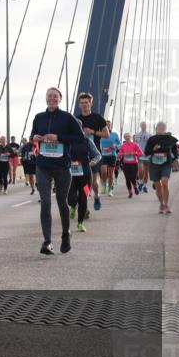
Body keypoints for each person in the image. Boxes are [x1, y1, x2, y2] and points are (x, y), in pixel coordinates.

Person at [30, 87, 85, 254]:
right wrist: (35, 138)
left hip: (62, 167)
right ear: (46, 99)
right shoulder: (39, 117)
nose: (52, 99)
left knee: (62, 201)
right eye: (49, 96)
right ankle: (47, 242)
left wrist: (59, 137)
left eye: (55, 96)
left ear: (60, 99)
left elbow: (80, 138)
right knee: (45, 202)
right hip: (43, 166)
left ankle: (65, 234)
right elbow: (32, 134)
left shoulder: (67, 118)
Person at [76, 93, 109, 210]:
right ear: (79, 105)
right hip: (80, 154)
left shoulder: (98, 118)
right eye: (82, 103)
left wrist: (92, 131)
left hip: (95, 155)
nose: (84, 105)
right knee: (84, 183)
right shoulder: (76, 119)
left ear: (91, 104)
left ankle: (96, 196)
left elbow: (106, 134)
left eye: (86, 102)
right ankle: (83, 206)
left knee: (94, 182)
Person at [68, 135, 101, 232]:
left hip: (86, 175)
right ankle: (73, 206)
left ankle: (80, 223)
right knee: (71, 198)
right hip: (70, 176)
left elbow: (97, 154)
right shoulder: (66, 139)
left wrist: (94, 161)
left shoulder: (87, 141)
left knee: (84, 199)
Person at [144, 122, 179, 214]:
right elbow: (147, 152)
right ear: (156, 128)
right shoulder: (151, 139)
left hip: (166, 163)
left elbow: (175, 151)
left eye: (163, 126)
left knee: (165, 182)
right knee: (158, 187)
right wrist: (153, 150)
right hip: (154, 165)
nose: (161, 127)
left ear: (165, 128)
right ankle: (161, 204)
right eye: (159, 126)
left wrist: (176, 159)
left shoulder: (170, 139)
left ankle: (166, 204)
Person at [117, 133, 144, 198]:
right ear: (124, 138)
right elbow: (119, 155)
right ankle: (130, 192)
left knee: (133, 177)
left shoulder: (135, 145)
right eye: (126, 137)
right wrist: (122, 154)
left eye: (128, 136)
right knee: (127, 179)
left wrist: (135, 153)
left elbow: (141, 153)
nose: (127, 138)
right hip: (125, 164)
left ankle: (135, 187)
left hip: (134, 164)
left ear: (131, 137)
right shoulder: (123, 146)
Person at [98, 120, 121, 196]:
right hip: (103, 155)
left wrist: (115, 146)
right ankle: (104, 185)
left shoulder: (114, 134)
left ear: (111, 126)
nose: (108, 126)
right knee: (103, 172)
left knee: (110, 174)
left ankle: (110, 190)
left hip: (112, 155)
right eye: (106, 125)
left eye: (109, 125)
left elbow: (120, 144)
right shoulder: (100, 135)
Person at [134, 121, 152, 192]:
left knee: (146, 172)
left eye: (144, 125)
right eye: (142, 125)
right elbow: (135, 145)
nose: (143, 126)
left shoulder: (150, 135)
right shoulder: (137, 135)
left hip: (147, 155)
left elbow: (152, 145)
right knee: (140, 171)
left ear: (146, 126)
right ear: (140, 126)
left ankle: (144, 185)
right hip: (140, 155)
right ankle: (141, 182)